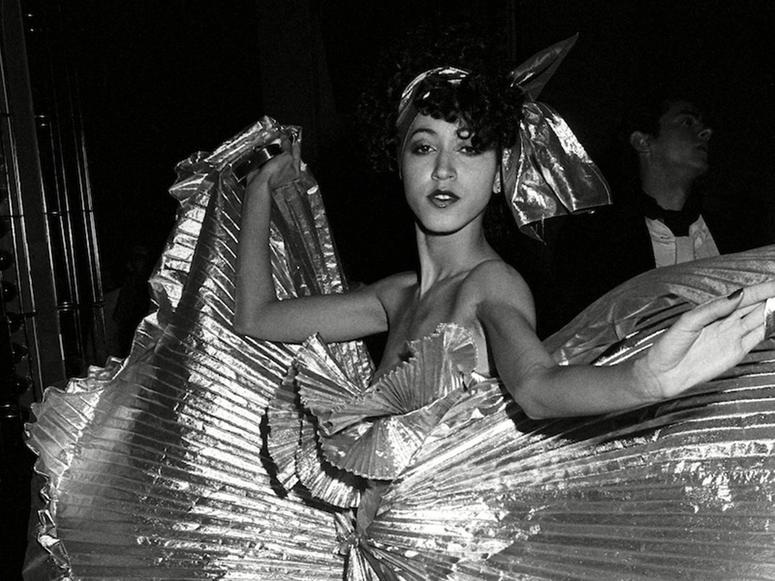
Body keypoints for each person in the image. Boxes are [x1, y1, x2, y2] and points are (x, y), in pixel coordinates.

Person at [234, 69, 773, 423]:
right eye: (424, 147)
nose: (444, 168)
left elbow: (537, 386)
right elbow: (256, 317)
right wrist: (261, 191)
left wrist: (644, 379)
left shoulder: (491, 284)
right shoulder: (394, 297)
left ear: (499, 175)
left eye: (470, 149)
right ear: (398, 163)